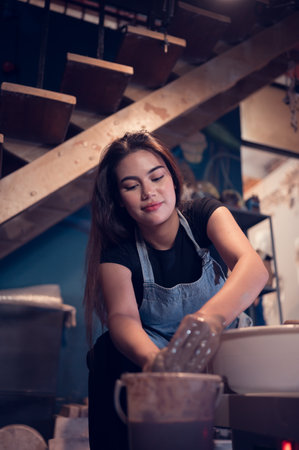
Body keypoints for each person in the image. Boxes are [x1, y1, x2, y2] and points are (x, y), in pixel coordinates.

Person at [83, 130, 268, 450]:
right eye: (131, 186)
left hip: (221, 338)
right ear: (119, 200)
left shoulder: (204, 214)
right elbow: (122, 317)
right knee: (103, 354)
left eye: (156, 177)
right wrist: (155, 361)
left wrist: (209, 320)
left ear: (172, 177)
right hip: (163, 351)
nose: (149, 192)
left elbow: (253, 268)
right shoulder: (118, 254)